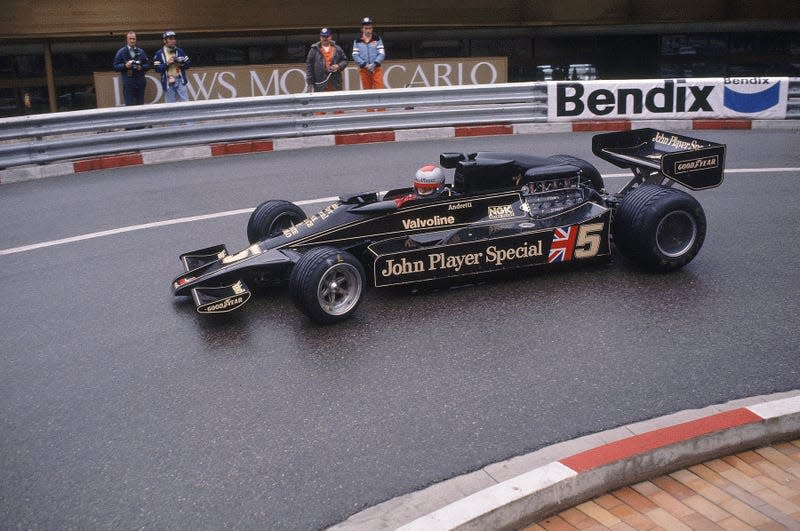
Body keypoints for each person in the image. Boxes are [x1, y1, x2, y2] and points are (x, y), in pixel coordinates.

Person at [112, 31, 150, 106]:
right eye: (130, 39)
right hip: (128, 82)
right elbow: (115, 66)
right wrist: (125, 66)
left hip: (140, 81)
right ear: (127, 40)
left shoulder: (140, 51)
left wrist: (141, 67)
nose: (132, 41)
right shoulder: (121, 52)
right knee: (129, 104)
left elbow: (148, 65)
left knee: (140, 104)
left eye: (134, 39)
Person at [153, 30, 192, 102]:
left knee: (185, 102)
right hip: (168, 81)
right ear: (165, 41)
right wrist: (167, 63)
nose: (173, 40)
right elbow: (157, 69)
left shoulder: (180, 51)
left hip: (180, 79)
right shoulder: (159, 53)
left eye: (174, 38)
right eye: (170, 39)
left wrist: (180, 63)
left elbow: (189, 64)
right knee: (170, 105)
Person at [305, 28, 348, 92]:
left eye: (327, 36)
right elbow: (309, 67)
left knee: (335, 100)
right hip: (320, 83)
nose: (325, 38)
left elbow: (345, 61)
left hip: (335, 82)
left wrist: (338, 66)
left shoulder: (337, 48)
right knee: (320, 101)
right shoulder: (314, 50)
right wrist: (310, 82)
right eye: (323, 36)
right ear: (320, 37)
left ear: (330, 37)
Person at [352, 17, 385, 90]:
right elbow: (355, 55)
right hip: (364, 69)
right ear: (362, 29)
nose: (368, 30)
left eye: (370, 28)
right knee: (367, 91)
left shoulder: (377, 39)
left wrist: (374, 64)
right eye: (366, 28)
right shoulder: (357, 41)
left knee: (380, 90)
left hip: (376, 68)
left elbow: (382, 53)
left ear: (372, 29)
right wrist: (365, 65)